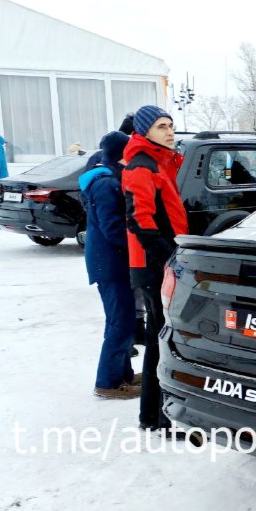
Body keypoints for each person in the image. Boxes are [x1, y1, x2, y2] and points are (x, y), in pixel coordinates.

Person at [123, 105, 188, 429]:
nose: (169, 131)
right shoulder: (142, 166)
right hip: (153, 266)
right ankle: (157, 416)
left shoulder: (160, 163)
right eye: (162, 126)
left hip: (160, 262)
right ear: (144, 131)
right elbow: (139, 219)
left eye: (171, 125)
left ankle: (152, 416)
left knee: (158, 336)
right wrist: (169, 257)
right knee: (160, 339)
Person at [79, 131, 141, 399]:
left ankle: (122, 375)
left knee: (120, 321)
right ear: (122, 153)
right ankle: (108, 382)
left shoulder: (104, 176)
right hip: (111, 264)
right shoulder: (106, 182)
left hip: (110, 262)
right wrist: (140, 245)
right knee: (121, 323)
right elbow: (112, 228)